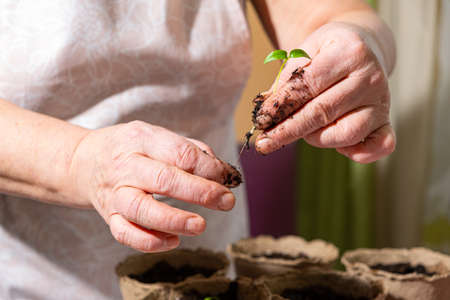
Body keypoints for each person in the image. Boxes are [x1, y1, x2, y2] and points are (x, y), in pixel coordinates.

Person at [0, 0, 396, 299]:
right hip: (32, 278)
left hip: (207, 265)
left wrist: (362, 42)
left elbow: (333, 12)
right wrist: (77, 159)